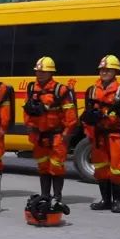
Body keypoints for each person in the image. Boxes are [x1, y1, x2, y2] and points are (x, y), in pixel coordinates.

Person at [83, 55, 120, 213]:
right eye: (102, 69)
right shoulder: (92, 90)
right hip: (98, 137)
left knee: (117, 169)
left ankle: (116, 201)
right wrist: (89, 134)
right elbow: (88, 116)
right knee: (101, 168)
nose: (104, 72)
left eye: (108, 70)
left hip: (116, 136)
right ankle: (105, 200)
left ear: (115, 72)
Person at [23, 57, 78, 201]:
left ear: (51, 73)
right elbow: (27, 111)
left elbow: (70, 115)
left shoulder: (61, 90)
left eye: (44, 71)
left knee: (56, 166)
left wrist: (66, 134)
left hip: (57, 135)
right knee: (42, 165)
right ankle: (45, 195)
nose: (40, 74)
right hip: (39, 135)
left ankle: (57, 196)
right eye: (38, 71)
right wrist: (29, 128)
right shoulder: (31, 88)